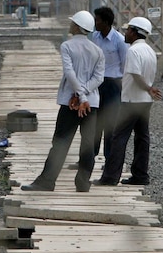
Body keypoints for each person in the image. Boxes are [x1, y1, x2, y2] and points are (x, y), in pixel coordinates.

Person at [21, 10, 105, 193]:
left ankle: (46, 181)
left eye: (72, 22)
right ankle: (83, 183)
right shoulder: (98, 51)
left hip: (72, 103)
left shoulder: (67, 46)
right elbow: (99, 78)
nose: (70, 25)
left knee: (61, 142)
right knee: (88, 145)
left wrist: (80, 97)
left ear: (77, 27)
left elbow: (70, 73)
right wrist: (85, 95)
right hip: (92, 104)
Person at [95, 16, 162, 186]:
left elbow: (135, 74)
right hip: (145, 102)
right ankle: (140, 176)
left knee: (119, 138)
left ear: (134, 32)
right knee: (142, 138)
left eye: (127, 30)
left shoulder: (133, 51)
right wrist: (149, 90)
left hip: (132, 100)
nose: (125, 33)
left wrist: (148, 88)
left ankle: (110, 178)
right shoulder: (150, 51)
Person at [90, 7, 128, 161]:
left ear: (106, 22)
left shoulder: (119, 40)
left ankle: (109, 160)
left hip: (113, 84)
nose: (95, 23)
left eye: (97, 20)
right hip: (96, 83)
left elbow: (125, 64)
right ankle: (89, 157)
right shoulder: (94, 37)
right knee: (93, 121)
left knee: (110, 124)